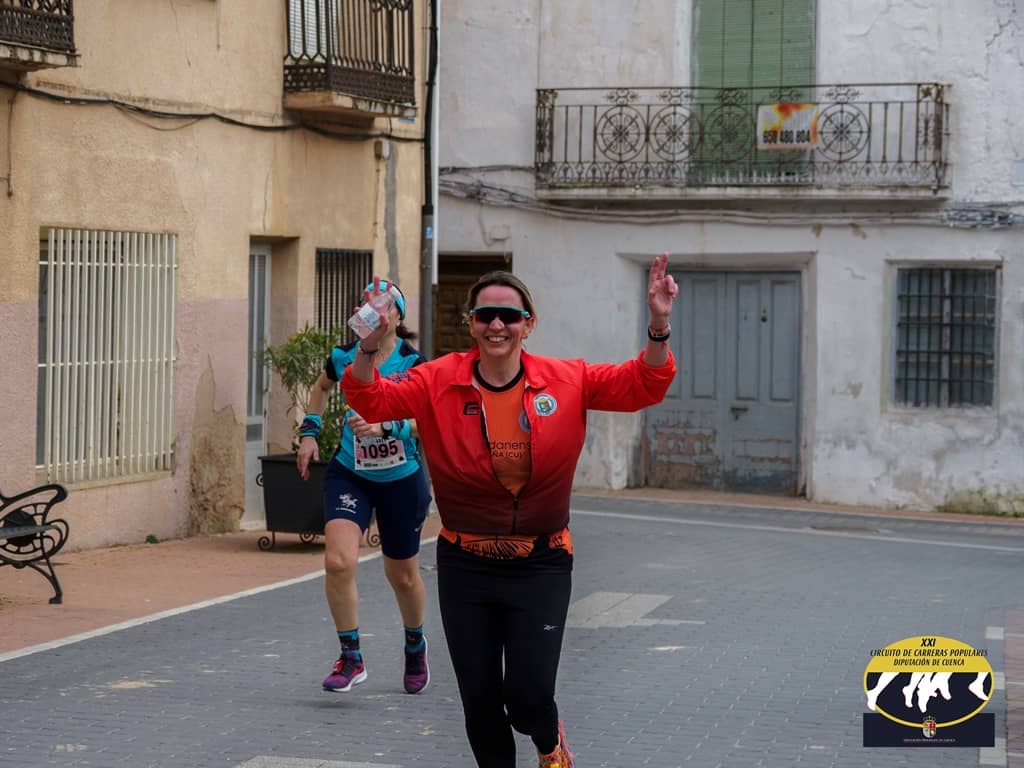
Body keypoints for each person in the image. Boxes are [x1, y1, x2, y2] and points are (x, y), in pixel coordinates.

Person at [342, 255, 678, 767]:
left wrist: (657, 324)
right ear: (470, 324)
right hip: (466, 565)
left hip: (541, 563)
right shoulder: (437, 380)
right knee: (480, 704)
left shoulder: (567, 380)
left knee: (528, 696)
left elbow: (643, 384)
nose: (496, 325)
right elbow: (370, 398)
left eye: (509, 316)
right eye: (485, 315)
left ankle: (549, 742)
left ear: (529, 324)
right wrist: (369, 345)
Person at [296, 279, 433, 696]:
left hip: (401, 478)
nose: (374, 310)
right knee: (338, 562)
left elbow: (429, 421)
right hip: (350, 472)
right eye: (367, 304)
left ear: (397, 315)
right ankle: (351, 656)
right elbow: (321, 388)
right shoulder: (344, 356)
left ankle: (415, 644)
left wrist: (386, 426)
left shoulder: (414, 363)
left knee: (402, 576)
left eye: (383, 304)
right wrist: (310, 432)